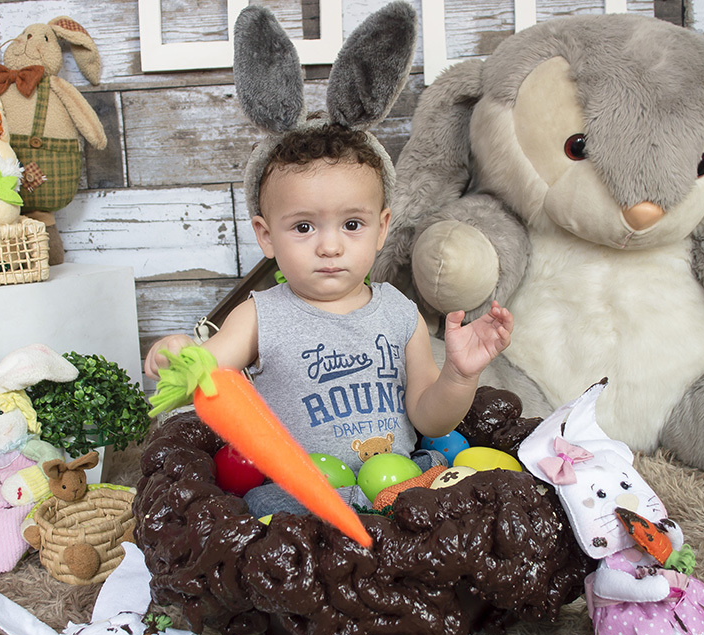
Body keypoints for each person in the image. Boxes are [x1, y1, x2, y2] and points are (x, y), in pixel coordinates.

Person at [145, 121, 513, 479]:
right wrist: (176, 357)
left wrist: (459, 375)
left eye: (352, 224)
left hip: (394, 494)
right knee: (261, 507)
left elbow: (429, 418)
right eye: (303, 227)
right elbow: (205, 372)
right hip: (302, 500)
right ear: (267, 235)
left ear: (381, 228)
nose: (330, 247)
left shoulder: (400, 313)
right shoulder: (260, 316)